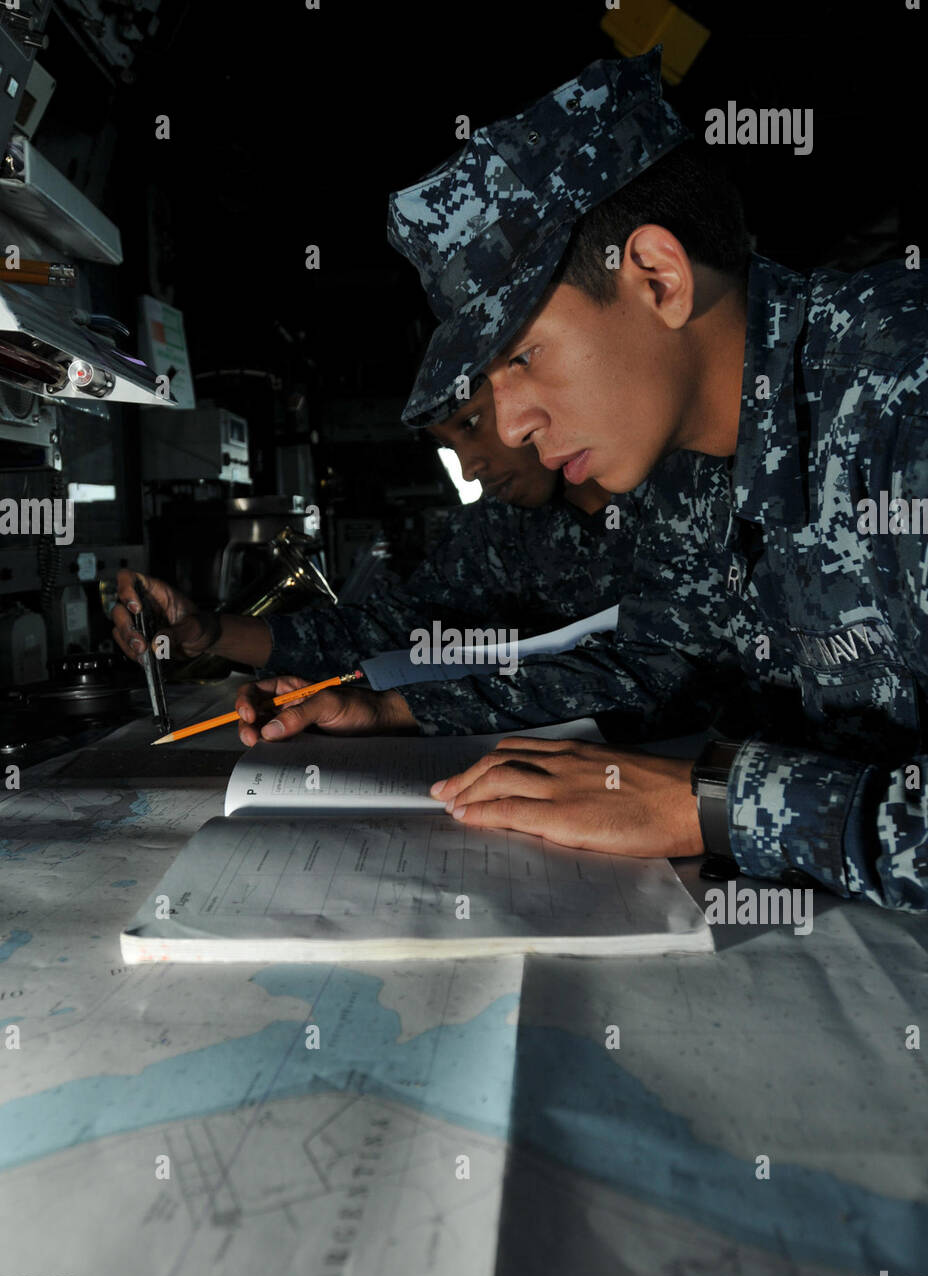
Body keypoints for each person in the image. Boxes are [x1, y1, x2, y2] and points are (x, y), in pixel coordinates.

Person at [275, 49, 926, 913]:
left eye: (522, 358)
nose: (508, 427)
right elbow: (664, 663)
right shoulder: (693, 462)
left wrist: (715, 804)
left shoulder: (903, 396)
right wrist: (401, 717)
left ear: (658, 276)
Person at [111, 379, 619, 744]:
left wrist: (391, 712)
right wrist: (208, 633)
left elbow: (656, 673)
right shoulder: (496, 526)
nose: (470, 467)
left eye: (472, 423)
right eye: (449, 446)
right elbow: (391, 627)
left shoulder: (669, 499)